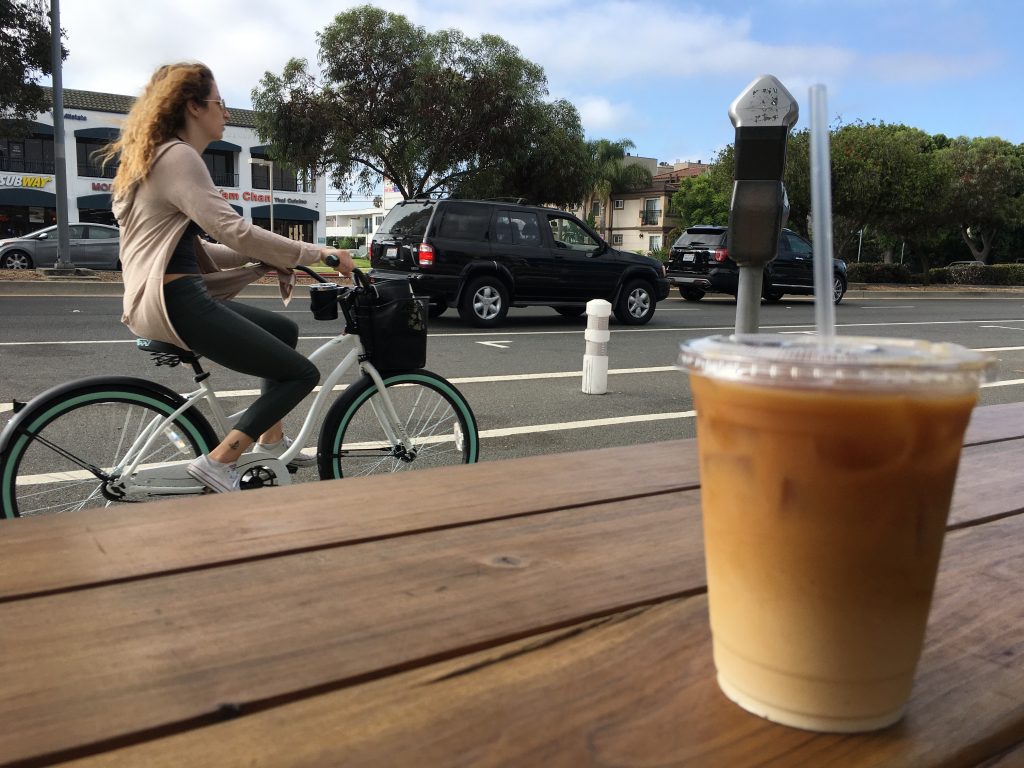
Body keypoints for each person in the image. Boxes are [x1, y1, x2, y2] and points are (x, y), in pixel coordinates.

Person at [102, 62, 354, 493]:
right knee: (301, 375)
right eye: (221, 103)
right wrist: (320, 252)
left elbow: (209, 250)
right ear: (194, 106)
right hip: (177, 302)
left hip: (168, 296)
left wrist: (269, 261)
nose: (228, 114)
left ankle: (272, 442)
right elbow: (233, 229)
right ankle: (220, 462)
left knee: (284, 329)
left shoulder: (158, 157)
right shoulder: (178, 156)